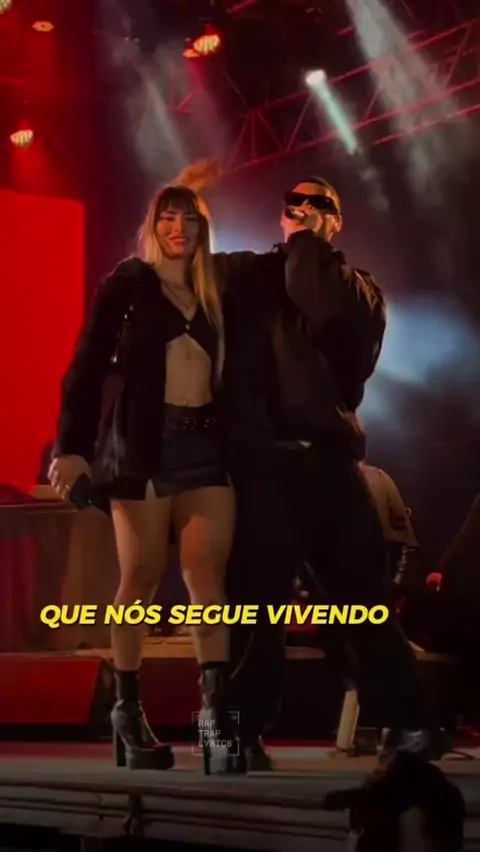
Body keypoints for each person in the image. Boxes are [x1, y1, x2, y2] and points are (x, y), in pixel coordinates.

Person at [218, 176, 443, 768]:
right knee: (255, 607)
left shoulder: (358, 289)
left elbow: (324, 312)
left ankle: (408, 723)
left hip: (328, 460)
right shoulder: (245, 274)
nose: (304, 208)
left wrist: (306, 246)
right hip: (261, 462)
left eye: (319, 204)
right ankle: (235, 734)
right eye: (293, 201)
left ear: (336, 222)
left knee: (363, 600)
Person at [48, 170, 244, 775]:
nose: (178, 228)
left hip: (206, 449)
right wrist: (70, 449)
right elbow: (85, 366)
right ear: (153, 226)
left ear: (203, 228)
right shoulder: (130, 283)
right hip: (144, 448)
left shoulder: (216, 290)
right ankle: (127, 712)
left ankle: (217, 723)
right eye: (168, 217)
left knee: (208, 583)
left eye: (189, 219)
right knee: (139, 579)